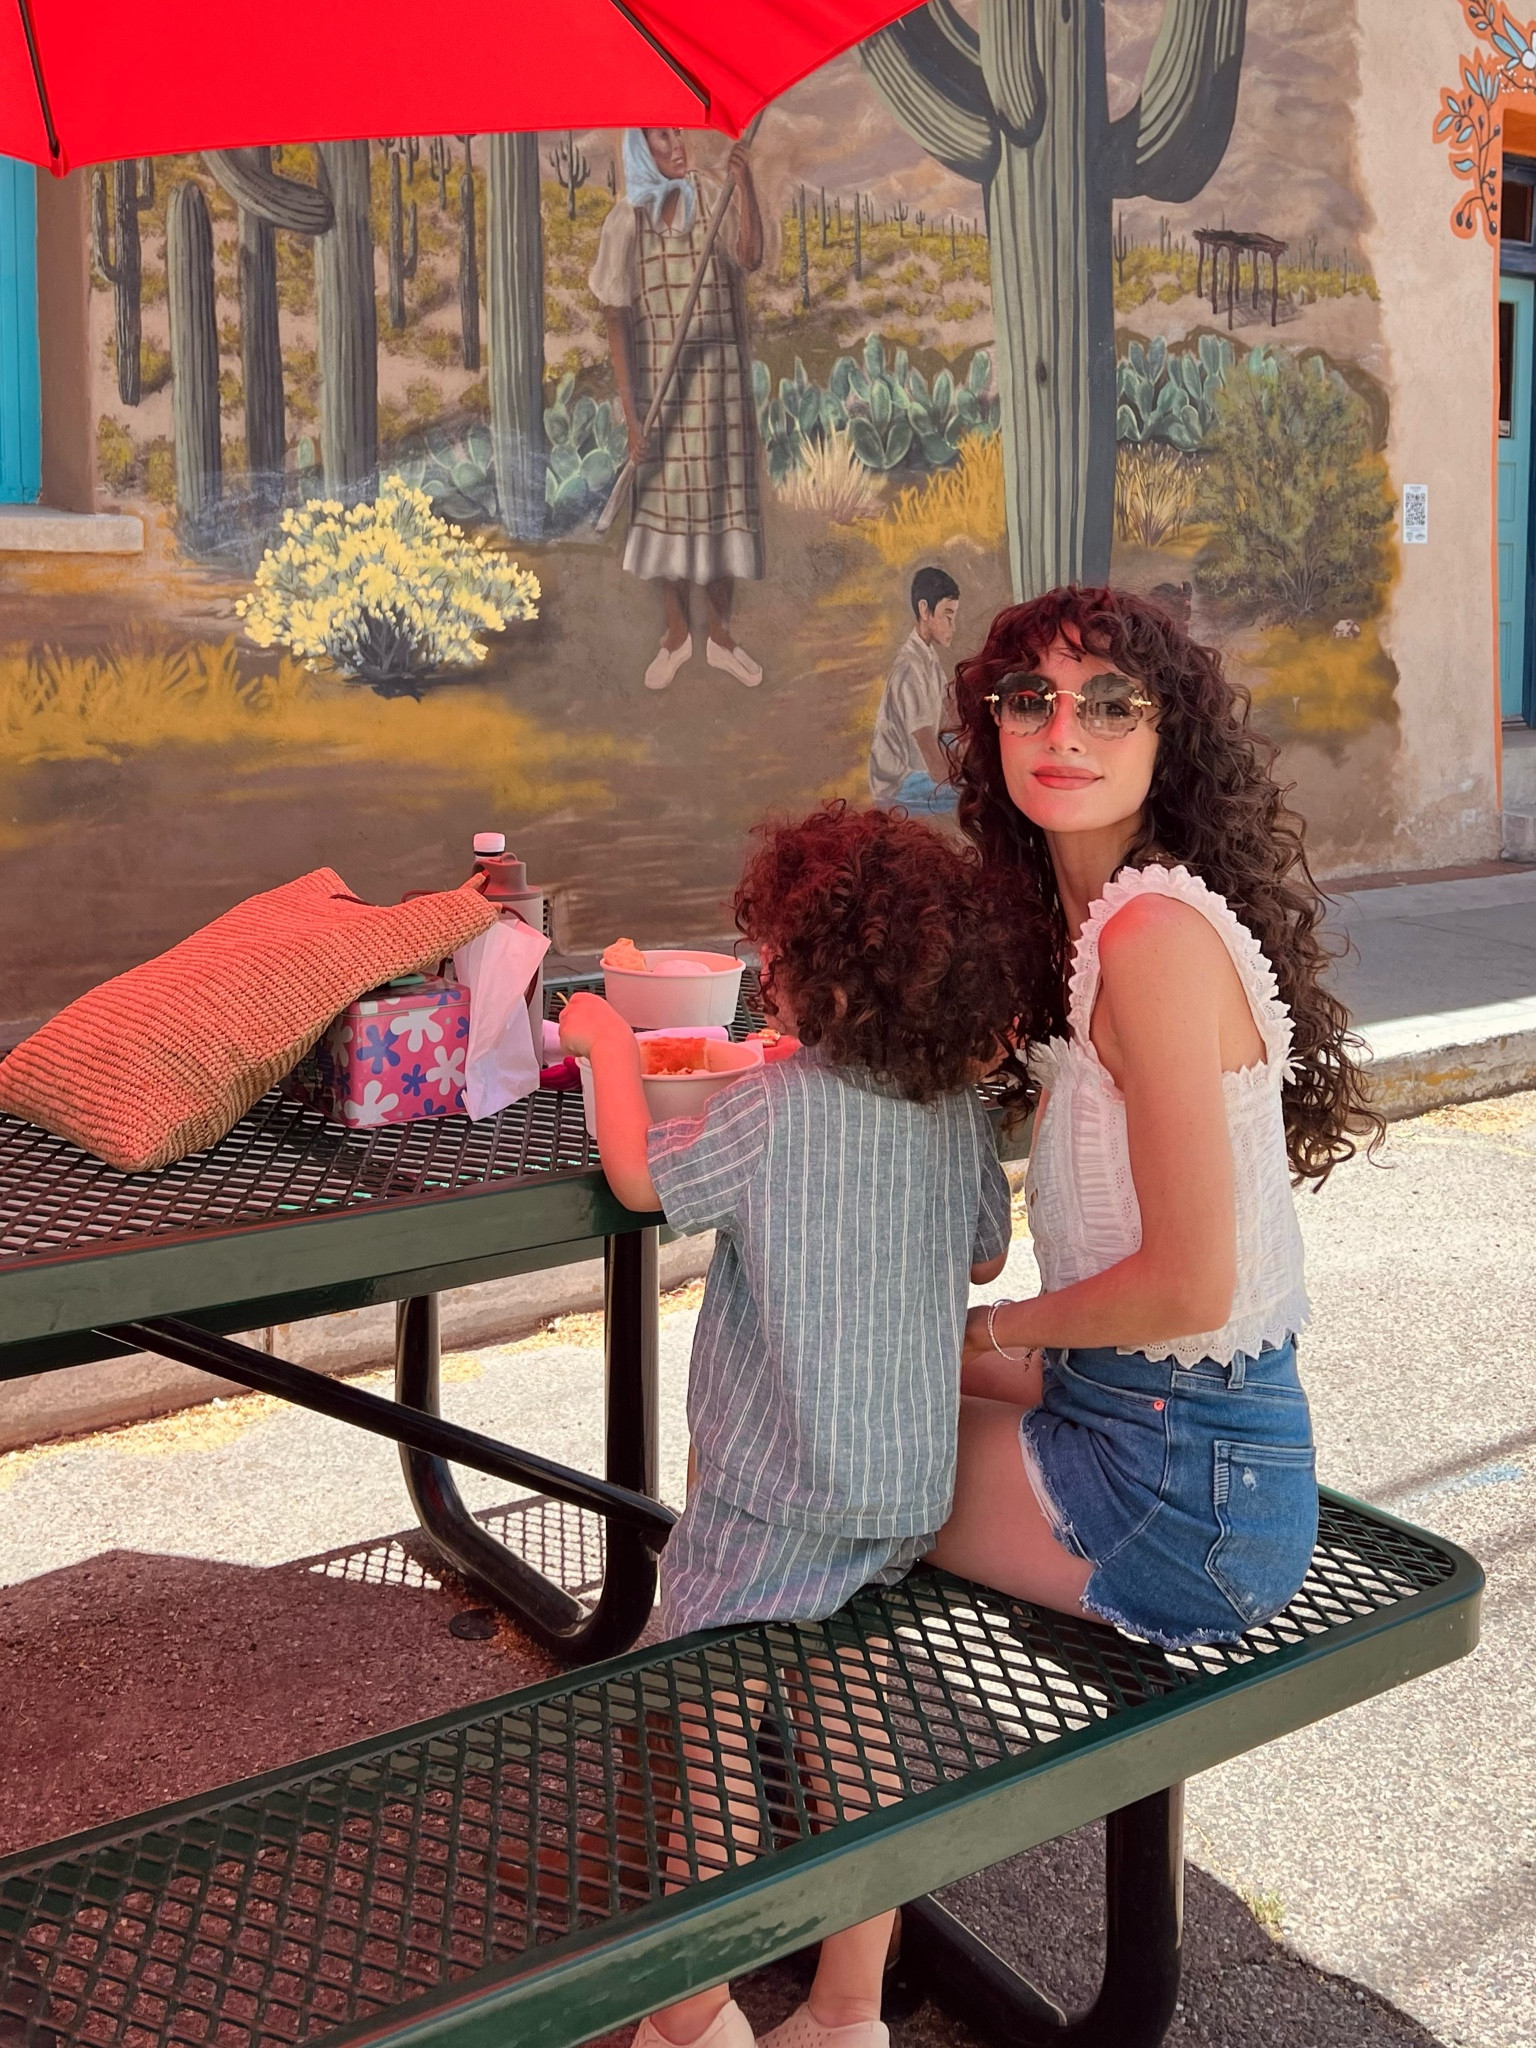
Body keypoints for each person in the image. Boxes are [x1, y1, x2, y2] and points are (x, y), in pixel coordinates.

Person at [559, 804, 1033, 2048]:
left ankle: (690, 2010)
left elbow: (638, 1179)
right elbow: (985, 1251)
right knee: (851, 1730)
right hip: (899, 1489)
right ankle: (843, 2010)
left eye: (773, 952)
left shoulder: (771, 1115)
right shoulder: (955, 1109)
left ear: (818, 976)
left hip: (774, 1494)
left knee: (715, 1732)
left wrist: (605, 1037)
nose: (762, 971)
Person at [928, 586, 1381, 1648]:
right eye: (1029, 698)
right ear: (992, 722)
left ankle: (755, 1802)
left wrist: (981, 1334)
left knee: (790, 1450)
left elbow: (1190, 1285)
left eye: (1111, 705)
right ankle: (784, 1783)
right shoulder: (1081, 929)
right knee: (805, 1385)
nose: (1063, 732)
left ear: (1167, 737)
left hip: (1193, 1495)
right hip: (1135, 1407)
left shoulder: (1151, 937)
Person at [591, 127, 766, 693]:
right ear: (642, 150)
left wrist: (745, 187)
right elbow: (615, 318)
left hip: (717, 388)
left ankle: (718, 637)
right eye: (661, 137)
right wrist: (630, 411)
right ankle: (675, 634)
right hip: (661, 391)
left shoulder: (712, 198)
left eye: (677, 133)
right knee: (665, 513)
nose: (677, 145)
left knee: (718, 509)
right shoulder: (627, 221)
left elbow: (750, 256)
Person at [868, 566, 961, 813]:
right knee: (973, 799)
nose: (953, 626)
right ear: (924, 610)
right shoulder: (909, 669)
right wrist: (963, 780)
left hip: (919, 766)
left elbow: (951, 722)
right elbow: (931, 754)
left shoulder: (929, 659)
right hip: (898, 785)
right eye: (948, 616)